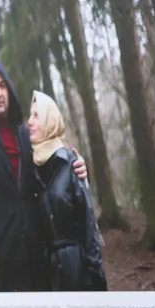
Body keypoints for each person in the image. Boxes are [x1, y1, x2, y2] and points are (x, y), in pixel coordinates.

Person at [0, 62, 88, 292]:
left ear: (10, 92)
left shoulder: (25, 133)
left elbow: (51, 176)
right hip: (6, 254)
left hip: (38, 248)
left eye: (3, 86)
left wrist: (78, 168)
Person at [28, 91, 107, 292]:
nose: (30, 121)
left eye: (36, 116)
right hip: (51, 274)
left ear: (50, 122)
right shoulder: (35, 168)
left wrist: (94, 274)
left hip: (78, 268)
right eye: (30, 115)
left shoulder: (70, 163)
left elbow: (88, 225)